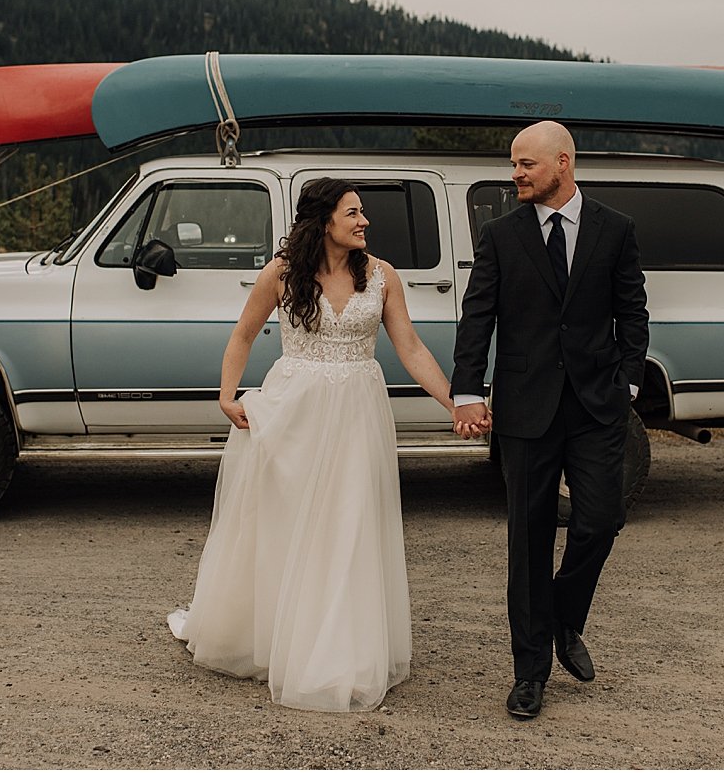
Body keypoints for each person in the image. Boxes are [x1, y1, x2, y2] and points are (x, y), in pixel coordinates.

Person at [168, 177, 455, 712]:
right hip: (294, 412)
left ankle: (337, 649)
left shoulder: (382, 276)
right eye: (353, 213)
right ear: (324, 222)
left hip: (357, 414)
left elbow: (410, 348)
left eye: (362, 212)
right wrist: (228, 395)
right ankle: (276, 635)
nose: (364, 221)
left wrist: (454, 403)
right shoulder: (282, 273)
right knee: (290, 524)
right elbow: (243, 335)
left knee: (349, 525)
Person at [450, 121, 650, 720]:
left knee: (601, 518)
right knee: (530, 540)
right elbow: (477, 316)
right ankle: (530, 674)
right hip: (526, 409)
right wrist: (466, 389)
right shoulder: (500, 236)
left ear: (562, 163)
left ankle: (565, 618)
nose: (516, 175)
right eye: (514, 165)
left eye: (526, 165)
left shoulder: (616, 230)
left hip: (596, 407)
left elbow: (631, 308)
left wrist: (630, 379)